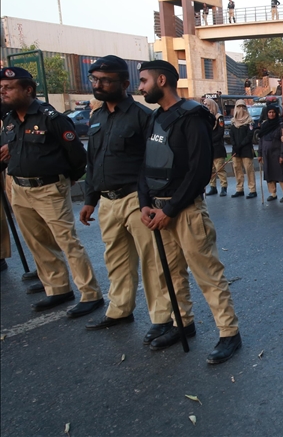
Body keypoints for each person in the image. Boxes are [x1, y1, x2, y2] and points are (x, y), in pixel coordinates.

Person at [136, 60, 241, 363]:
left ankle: (229, 333)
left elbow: (199, 171)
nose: (140, 87)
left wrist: (170, 209)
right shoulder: (155, 117)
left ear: (162, 80)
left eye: (144, 81)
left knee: (207, 274)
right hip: (158, 210)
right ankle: (182, 324)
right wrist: (145, 203)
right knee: (169, 273)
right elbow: (145, 164)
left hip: (185, 211)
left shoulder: (192, 116)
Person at [0, 67, 104, 317]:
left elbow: (77, 156)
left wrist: (65, 180)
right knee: (38, 242)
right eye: (1, 88)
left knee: (67, 242)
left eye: (9, 87)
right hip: (20, 189)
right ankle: (57, 288)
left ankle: (90, 294)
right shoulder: (10, 119)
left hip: (48, 189)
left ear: (28, 90)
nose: (3, 92)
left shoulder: (51, 118)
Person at [77, 55, 170, 334]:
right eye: (95, 79)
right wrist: (90, 199)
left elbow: (154, 161)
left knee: (152, 261)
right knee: (116, 260)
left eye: (106, 80)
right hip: (107, 201)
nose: (98, 85)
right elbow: (93, 161)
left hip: (136, 199)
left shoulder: (143, 116)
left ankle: (162, 319)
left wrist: (149, 200)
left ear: (125, 84)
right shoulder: (97, 117)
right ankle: (119, 310)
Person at [258, 106, 283, 202]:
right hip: (266, 153)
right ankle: (272, 193)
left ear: (276, 113)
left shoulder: (280, 125)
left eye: (273, 112)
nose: (271, 114)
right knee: (269, 172)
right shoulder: (264, 125)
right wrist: (259, 154)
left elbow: (282, 142)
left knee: (280, 173)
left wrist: (282, 155)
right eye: (269, 112)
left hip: (276, 153)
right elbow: (261, 140)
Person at [229, 101, 257, 198]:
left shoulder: (249, 122)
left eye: (243, 106)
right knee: (237, 169)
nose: (241, 109)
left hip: (246, 150)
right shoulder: (233, 122)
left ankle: (252, 190)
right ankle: (239, 189)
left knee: (249, 169)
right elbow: (231, 135)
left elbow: (249, 136)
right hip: (236, 150)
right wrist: (234, 145)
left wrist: (241, 145)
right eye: (239, 106)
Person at [204, 97, 228, 197]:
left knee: (220, 169)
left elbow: (220, 132)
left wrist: (210, 140)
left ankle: (223, 187)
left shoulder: (219, 117)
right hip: (209, 148)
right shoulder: (206, 117)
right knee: (211, 169)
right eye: (204, 104)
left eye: (207, 104)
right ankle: (213, 187)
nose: (205, 106)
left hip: (217, 147)